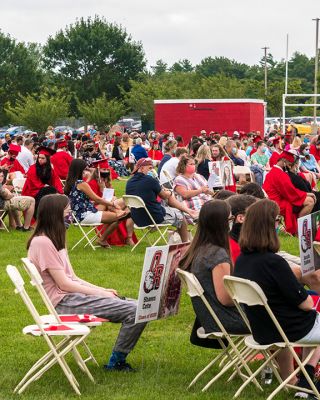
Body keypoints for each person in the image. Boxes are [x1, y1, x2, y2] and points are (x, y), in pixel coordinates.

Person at [27, 194, 146, 371]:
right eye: (67, 211)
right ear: (55, 214)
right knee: (138, 310)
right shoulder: (42, 243)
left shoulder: (55, 238)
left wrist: (102, 289)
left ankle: (118, 359)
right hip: (65, 303)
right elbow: (64, 285)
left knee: (141, 308)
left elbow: (72, 278)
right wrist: (102, 294)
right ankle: (116, 361)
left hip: (72, 298)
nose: (70, 215)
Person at [234, 199, 320, 391]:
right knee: (313, 313)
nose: (279, 225)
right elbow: (305, 304)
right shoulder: (274, 263)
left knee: (312, 318)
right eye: (276, 221)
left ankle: (298, 380)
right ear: (268, 227)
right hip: (289, 329)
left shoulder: (241, 261)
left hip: (262, 329)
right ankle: (308, 377)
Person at [179, 199, 249, 335]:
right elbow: (226, 299)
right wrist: (250, 293)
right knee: (282, 317)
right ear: (221, 223)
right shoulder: (217, 255)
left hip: (210, 318)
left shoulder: (198, 249)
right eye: (231, 218)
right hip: (229, 321)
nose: (232, 221)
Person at [126, 157, 198, 243]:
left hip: (138, 219)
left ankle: (189, 212)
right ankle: (185, 244)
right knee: (181, 217)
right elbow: (164, 196)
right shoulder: (150, 180)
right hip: (154, 217)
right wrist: (170, 193)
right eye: (150, 168)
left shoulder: (129, 182)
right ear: (141, 168)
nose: (152, 170)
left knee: (171, 207)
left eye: (152, 168)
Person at [64, 159, 128, 247]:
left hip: (78, 214)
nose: (87, 171)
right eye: (85, 169)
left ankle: (116, 213)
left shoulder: (70, 183)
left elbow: (82, 200)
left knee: (110, 208)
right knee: (119, 217)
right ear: (80, 170)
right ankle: (102, 239)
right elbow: (97, 199)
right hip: (84, 215)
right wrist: (113, 204)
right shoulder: (82, 184)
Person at [263, 151, 315, 235]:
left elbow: (289, 191)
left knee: (308, 199)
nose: (289, 166)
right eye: (288, 163)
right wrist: (307, 194)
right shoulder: (279, 174)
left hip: (272, 200)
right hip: (278, 203)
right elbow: (290, 192)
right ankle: (299, 228)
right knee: (310, 201)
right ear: (284, 162)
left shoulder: (274, 171)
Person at [87, 159, 136, 246]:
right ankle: (119, 213)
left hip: (110, 206)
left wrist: (111, 196)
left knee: (128, 209)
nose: (105, 171)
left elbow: (111, 196)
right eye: (103, 169)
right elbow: (92, 201)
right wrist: (102, 191)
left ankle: (129, 237)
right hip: (97, 208)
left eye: (107, 170)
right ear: (97, 171)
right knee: (123, 206)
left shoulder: (107, 182)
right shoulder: (92, 183)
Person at [173, 156, 212, 220]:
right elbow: (184, 194)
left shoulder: (199, 176)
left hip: (207, 201)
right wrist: (201, 190)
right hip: (193, 205)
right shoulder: (179, 179)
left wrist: (208, 191)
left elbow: (210, 191)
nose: (193, 166)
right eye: (191, 164)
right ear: (183, 166)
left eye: (194, 164)